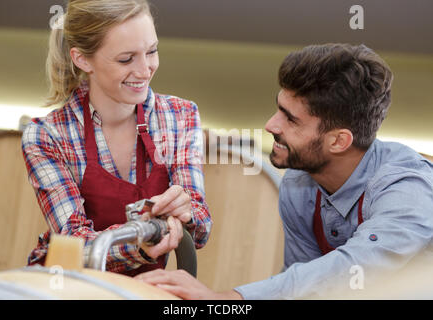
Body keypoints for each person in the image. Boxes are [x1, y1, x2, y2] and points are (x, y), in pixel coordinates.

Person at [136, 43, 433, 299]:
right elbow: (303, 288)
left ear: (339, 141)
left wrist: (230, 298)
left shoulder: (407, 186)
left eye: (291, 120)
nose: (270, 125)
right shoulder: (298, 184)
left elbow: (356, 267)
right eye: (279, 108)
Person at [21, 0, 212, 276]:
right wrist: (141, 239)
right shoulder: (47, 136)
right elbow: (76, 243)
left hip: (143, 286)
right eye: (126, 59)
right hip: (69, 287)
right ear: (83, 59)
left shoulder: (180, 116)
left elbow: (200, 229)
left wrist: (186, 211)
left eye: (152, 51)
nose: (145, 69)